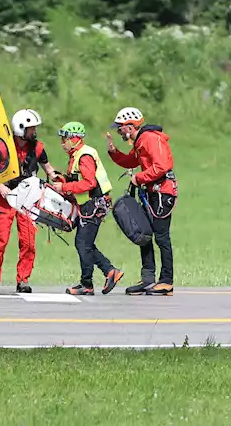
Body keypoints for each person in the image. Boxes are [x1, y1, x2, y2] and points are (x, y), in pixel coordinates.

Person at [0, 109, 60, 293]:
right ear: (21, 129)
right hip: (7, 197)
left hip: (28, 199)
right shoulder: (3, 147)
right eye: (31, 129)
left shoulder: (38, 148)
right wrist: (1, 186)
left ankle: (23, 280)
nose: (34, 132)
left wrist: (61, 182)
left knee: (28, 242)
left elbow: (49, 169)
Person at [106, 106, 177, 295]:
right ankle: (148, 278)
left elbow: (162, 166)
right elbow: (131, 161)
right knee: (145, 234)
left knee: (162, 237)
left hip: (163, 193)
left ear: (130, 126)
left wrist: (139, 178)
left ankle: (166, 281)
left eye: (120, 127)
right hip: (152, 192)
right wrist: (114, 152)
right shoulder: (140, 141)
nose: (119, 131)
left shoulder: (150, 138)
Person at [53, 121, 124, 296]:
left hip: (94, 204)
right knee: (85, 243)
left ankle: (88, 284)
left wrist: (64, 188)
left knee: (83, 243)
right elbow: (78, 179)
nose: (63, 143)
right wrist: (63, 180)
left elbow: (89, 183)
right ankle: (108, 272)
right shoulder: (77, 154)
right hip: (89, 204)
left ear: (76, 138)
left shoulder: (84, 155)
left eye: (65, 139)